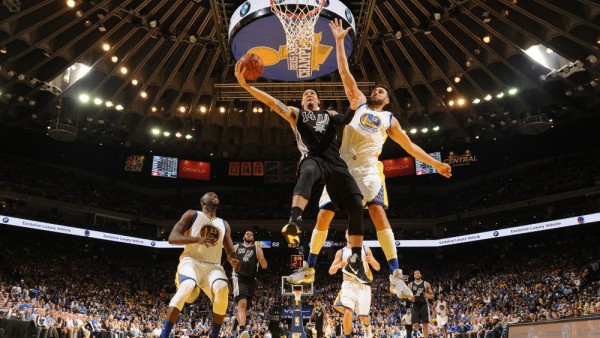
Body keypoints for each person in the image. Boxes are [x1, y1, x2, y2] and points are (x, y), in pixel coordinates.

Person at [286, 18, 452, 295]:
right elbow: (343, 72)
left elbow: (411, 147)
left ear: (386, 100)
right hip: (340, 167)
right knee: (323, 218)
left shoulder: (389, 118)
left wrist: (436, 164)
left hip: (368, 169)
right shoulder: (358, 102)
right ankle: (309, 269)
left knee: (377, 213)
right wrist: (339, 42)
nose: (377, 91)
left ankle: (396, 274)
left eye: (381, 92)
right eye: (375, 89)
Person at [235, 61, 371, 284]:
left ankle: (356, 259)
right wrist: (247, 87)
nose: (309, 94)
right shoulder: (297, 114)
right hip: (313, 159)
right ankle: (295, 221)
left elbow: (346, 119)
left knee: (357, 203)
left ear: (318, 100)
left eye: (313, 93)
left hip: (335, 163)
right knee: (306, 172)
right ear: (302, 101)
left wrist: (354, 106)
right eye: (306, 93)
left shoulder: (330, 113)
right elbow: (273, 103)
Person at [159, 192, 241, 338]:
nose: (215, 195)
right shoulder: (192, 214)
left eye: (216, 195)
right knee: (187, 285)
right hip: (191, 260)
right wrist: (197, 239)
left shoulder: (223, 223)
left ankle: (214, 336)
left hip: (213, 266)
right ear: (203, 201)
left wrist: (232, 260)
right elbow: (172, 238)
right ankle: (164, 335)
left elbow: (229, 251)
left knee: (222, 289)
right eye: (211, 195)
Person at [329, 231, 380, 338]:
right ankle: (347, 336)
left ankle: (367, 327)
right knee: (347, 311)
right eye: (348, 233)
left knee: (363, 316)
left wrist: (371, 261)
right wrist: (339, 265)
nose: (351, 235)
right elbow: (331, 271)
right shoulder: (341, 252)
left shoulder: (365, 248)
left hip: (363, 284)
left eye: (352, 233)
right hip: (348, 283)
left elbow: (377, 267)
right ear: (345, 235)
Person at [232, 230, 268, 338]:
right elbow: (231, 260)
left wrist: (261, 258)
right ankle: (242, 330)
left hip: (251, 280)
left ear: (253, 238)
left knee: (246, 310)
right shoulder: (236, 247)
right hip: (239, 278)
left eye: (251, 234)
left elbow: (264, 266)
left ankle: (236, 322)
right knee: (242, 304)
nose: (249, 234)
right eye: (247, 233)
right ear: (243, 236)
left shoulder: (257, 249)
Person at [408, 270, 434, 338]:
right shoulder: (410, 285)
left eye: (418, 273)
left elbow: (432, 295)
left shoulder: (426, 284)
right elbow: (408, 296)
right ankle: (420, 328)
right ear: (413, 276)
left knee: (425, 324)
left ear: (420, 275)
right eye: (415, 273)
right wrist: (410, 298)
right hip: (415, 305)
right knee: (415, 325)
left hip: (424, 305)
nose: (416, 274)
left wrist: (428, 296)